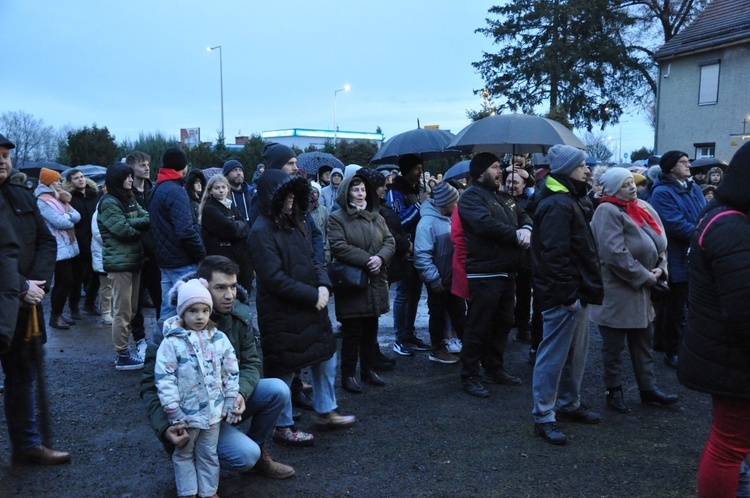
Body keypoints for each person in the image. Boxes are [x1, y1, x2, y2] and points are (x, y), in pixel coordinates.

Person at [142, 255, 295, 479]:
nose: (230, 295)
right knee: (243, 456)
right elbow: (149, 385)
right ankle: (191, 457)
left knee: (278, 389)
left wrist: (241, 392)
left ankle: (258, 452)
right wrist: (166, 428)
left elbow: (251, 363)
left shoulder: (238, 315)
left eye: (233, 286)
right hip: (189, 417)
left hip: (223, 404)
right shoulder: (170, 327)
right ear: (203, 286)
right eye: (221, 287)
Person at [251, 169, 355, 430]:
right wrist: (313, 295)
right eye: (283, 198)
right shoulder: (261, 231)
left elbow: (313, 259)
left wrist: (324, 285)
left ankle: (325, 410)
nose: (289, 203)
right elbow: (273, 278)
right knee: (284, 370)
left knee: (326, 355)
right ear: (271, 198)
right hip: (281, 311)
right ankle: (282, 427)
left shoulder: (297, 221)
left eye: (291, 197)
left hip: (310, 306)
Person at [679, 141, 750, 497]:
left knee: (734, 443)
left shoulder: (729, 219)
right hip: (733, 357)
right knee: (730, 444)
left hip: (728, 354)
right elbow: (744, 310)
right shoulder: (731, 227)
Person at [0, 134, 69, 465]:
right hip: (11, 297)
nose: (2, 160)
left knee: (23, 375)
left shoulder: (21, 197)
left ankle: (27, 446)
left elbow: (46, 242)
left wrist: (36, 285)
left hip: (23, 308)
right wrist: (21, 285)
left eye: (5, 155)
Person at [530, 144, 603, 445]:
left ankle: (569, 404)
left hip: (574, 292)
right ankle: (544, 416)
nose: (588, 170)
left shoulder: (568, 199)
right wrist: (568, 294)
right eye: (583, 165)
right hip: (564, 295)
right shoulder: (558, 204)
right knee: (553, 357)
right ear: (567, 170)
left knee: (575, 354)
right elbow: (554, 256)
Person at [589, 168, 678, 413]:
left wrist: (661, 268)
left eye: (632, 182)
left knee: (643, 342)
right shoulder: (606, 210)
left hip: (644, 289)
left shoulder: (643, 207)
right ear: (612, 189)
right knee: (613, 347)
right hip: (618, 290)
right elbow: (613, 253)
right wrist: (644, 276)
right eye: (625, 184)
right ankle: (613, 391)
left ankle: (648, 389)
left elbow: (661, 242)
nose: (631, 187)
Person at [155, 278, 240, 498]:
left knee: (209, 454)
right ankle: (187, 492)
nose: (200, 316)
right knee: (184, 453)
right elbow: (164, 378)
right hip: (185, 414)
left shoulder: (219, 339)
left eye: (204, 310)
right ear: (182, 312)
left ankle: (209, 491)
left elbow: (231, 370)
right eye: (193, 310)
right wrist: (173, 410)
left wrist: (230, 399)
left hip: (213, 412)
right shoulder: (171, 342)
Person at [458, 153, 532, 397]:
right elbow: (483, 224)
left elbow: (522, 214)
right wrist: (515, 235)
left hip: (507, 270)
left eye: (499, 167)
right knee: (479, 326)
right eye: (495, 167)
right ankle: (469, 374)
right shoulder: (470, 197)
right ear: (480, 171)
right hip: (484, 272)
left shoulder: (503, 196)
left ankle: (494, 368)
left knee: (502, 324)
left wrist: (526, 227)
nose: (500, 171)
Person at [328, 171, 395, 393]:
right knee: (352, 333)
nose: (360, 193)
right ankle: (348, 374)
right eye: (355, 190)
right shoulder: (337, 218)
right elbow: (339, 246)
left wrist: (381, 257)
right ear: (346, 193)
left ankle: (367, 370)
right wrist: (368, 260)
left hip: (375, 281)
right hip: (353, 283)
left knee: (371, 330)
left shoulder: (377, 216)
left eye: (363, 190)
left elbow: (389, 240)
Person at [648, 151, 706, 368]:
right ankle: (671, 350)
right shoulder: (662, 193)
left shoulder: (694, 188)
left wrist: (706, 227)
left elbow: (705, 214)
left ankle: (680, 345)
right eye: (683, 162)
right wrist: (706, 232)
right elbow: (674, 224)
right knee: (674, 307)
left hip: (696, 253)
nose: (688, 165)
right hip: (675, 255)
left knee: (692, 305)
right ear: (671, 167)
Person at [98, 163, 150, 370]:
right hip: (120, 264)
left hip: (134, 260)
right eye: (127, 177)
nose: (131, 180)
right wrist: (137, 227)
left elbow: (147, 217)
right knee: (121, 310)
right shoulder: (108, 202)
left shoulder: (129, 198)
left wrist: (132, 223)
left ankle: (127, 351)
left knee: (132, 310)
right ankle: (122, 353)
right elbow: (123, 231)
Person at [150, 147, 206, 319]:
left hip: (165, 260)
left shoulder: (157, 188)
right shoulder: (175, 191)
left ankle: (158, 345)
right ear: (183, 166)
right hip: (182, 261)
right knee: (190, 310)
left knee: (168, 311)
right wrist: (201, 254)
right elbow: (185, 231)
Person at [414, 181, 464, 365]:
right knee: (437, 314)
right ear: (445, 203)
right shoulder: (427, 223)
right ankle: (437, 348)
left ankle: (469, 349)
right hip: (439, 280)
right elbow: (422, 255)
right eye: (454, 202)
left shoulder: (450, 218)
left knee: (459, 313)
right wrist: (434, 279)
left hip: (453, 277)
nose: (457, 205)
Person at [386, 154, 431, 356]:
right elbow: (398, 222)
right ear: (406, 170)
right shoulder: (394, 192)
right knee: (403, 295)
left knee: (415, 295)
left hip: (420, 250)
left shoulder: (417, 190)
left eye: (421, 167)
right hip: (404, 252)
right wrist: (419, 204)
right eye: (416, 168)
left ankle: (410, 333)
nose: (420, 172)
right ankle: (399, 338)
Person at [35, 167, 81, 330]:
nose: (60, 182)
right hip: (56, 246)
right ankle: (55, 316)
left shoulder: (60, 198)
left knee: (65, 281)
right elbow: (60, 222)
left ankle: (59, 314)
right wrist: (68, 218)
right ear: (49, 182)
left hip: (65, 245)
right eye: (57, 180)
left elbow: (77, 215)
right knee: (64, 281)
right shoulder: (43, 201)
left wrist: (67, 216)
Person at [126, 151, 161, 358]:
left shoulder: (154, 190)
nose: (147, 168)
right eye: (141, 165)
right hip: (135, 254)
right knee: (135, 303)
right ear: (131, 169)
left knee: (161, 299)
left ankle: (160, 339)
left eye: (148, 164)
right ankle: (139, 339)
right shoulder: (126, 194)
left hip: (155, 255)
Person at [200, 174, 253, 292]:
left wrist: (238, 226)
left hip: (239, 257)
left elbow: (245, 225)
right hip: (222, 258)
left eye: (223, 187)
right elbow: (231, 229)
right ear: (210, 191)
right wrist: (238, 226)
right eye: (217, 188)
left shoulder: (230, 205)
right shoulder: (209, 209)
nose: (221, 190)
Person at [63, 168, 100, 318]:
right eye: (76, 178)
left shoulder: (94, 195)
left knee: (96, 275)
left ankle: (90, 304)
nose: (80, 179)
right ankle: (74, 307)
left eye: (82, 176)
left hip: (95, 241)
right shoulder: (69, 198)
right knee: (77, 278)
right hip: (79, 242)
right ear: (70, 181)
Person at [504, 166, 534, 344]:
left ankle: (523, 326)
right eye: (508, 181)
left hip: (524, 255)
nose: (510, 185)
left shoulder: (529, 202)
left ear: (523, 185)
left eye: (515, 182)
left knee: (523, 292)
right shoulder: (500, 199)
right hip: (504, 254)